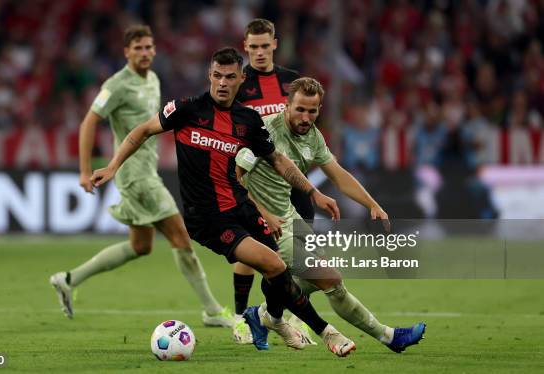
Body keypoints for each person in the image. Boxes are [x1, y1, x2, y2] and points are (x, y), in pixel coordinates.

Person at [90, 47, 357, 357]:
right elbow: (142, 131)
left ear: (241, 79)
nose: (222, 82)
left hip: (241, 205)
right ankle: (326, 332)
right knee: (274, 264)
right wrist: (112, 166)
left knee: (277, 268)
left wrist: (312, 192)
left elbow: (277, 161)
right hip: (207, 218)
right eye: (217, 75)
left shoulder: (247, 120)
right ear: (209, 76)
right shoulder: (187, 109)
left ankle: (267, 319)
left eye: (230, 77)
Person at [49, 25, 233, 328]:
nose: (144, 53)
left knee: (141, 245)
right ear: (126, 52)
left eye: (148, 47)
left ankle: (68, 279)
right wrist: (84, 170)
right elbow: (88, 122)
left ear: (154, 50)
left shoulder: (153, 80)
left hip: (147, 171)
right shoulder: (117, 84)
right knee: (180, 236)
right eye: (138, 48)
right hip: (135, 176)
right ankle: (212, 309)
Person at [235, 77, 426, 353]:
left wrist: (371, 204)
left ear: (319, 109)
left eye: (312, 111)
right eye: (299, 109)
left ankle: (264, 316)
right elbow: (236, 179)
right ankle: (389, 337)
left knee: (308, 281)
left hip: (290, 218)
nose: (305, 117)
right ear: (287, 105)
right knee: (331, 280)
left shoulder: (312, 136)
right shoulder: (264, 131)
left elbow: (337, 174)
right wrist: (263, 213)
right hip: (265, 225)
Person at [232, 19, 314, 341]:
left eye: (265, 45)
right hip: (259, 182)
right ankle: (240, 318)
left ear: (275, 44)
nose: (260, 52)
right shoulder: (238, 83)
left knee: (300, 249)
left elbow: (305, 121)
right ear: (245, 47)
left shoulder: (292, 81)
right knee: (251, 251)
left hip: (292, 177)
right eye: (253, 47)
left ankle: (283, 316)